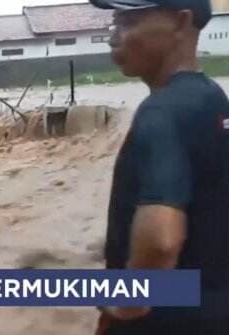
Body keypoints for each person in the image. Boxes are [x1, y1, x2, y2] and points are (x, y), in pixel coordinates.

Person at [89, 0, 229, 334]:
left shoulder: (160, 113)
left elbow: (161, 239)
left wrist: (125, 304)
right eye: (114, 21)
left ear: (182, 23)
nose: (114, 37)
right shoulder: (213, 98)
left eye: (129, 21)